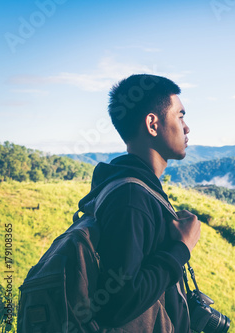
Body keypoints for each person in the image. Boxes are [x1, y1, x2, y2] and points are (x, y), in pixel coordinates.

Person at [77, 74, 201, 332]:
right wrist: (181, 248)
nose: (186, 127)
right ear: (152, 124)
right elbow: (118, 302)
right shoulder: (131, 199)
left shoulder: (130, 188)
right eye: (180, 116)